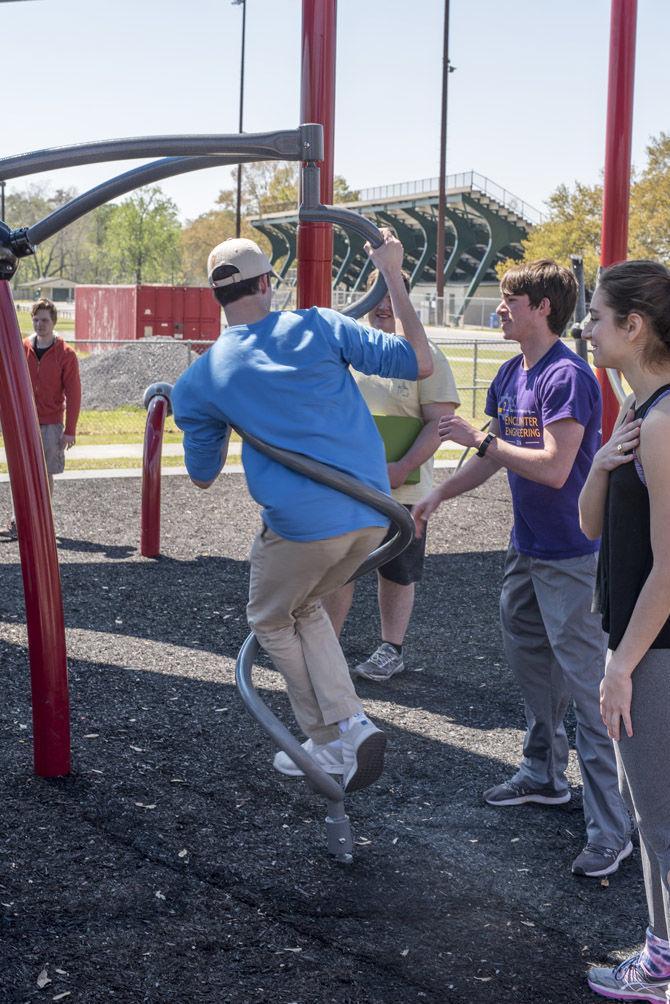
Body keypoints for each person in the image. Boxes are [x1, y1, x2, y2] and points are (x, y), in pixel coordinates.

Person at [171, 234, 433, 793]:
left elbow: (202, 473)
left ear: (216, 296)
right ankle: (351, 724)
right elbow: (419, 360)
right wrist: (392, 274)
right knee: (306, 606)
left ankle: (327, 738)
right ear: (267, 283)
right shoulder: (318, 324)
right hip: (373, 515)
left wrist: (191, 408)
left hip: (302, 527)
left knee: (268, 618)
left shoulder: (203, 378)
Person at [413, 259, 631, 878]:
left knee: (591, 694)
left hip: (572, 556)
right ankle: (542, 774)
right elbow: (494, 457)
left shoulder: (568, 376)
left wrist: (478, 442)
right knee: (533, 669)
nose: (500, 309)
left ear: (542, 308)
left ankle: (611, 830)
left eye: (512, 300)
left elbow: (556, 467)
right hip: (527, 548)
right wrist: (438, 494)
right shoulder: (512, 373)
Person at [576, 262, 670, 1003]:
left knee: (662, 823)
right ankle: (660, 958)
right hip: (642, 644)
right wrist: (604, 466)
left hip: (654, 650)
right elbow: (591, 526)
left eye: (599, 317)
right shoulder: (641, 413)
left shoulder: (665, 423)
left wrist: (620, 667)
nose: (588, 328)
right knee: (651, 817)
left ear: (634, 327)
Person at [324, 270, 460, 680]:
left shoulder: (427, 357)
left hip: (404, 488)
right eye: (375, 293)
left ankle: (391, 647)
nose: (382, 305)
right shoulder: (346, 355)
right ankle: (326, 648)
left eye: (391, 296)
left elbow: (440, 421)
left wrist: (401, 467)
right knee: (338, 568)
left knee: (397, 571)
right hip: (350, 487)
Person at [1, 298, 81, 540]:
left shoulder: (65, 354)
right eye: (36, 320)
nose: (39, 324)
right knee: (21, 472)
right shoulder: (22, 347)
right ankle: (18, 522)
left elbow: (74, 393)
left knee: (45, 473)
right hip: (23, 421)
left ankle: (43, 523)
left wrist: (70, 429)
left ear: (53, 322)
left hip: (50, 422)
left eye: (44, 320)